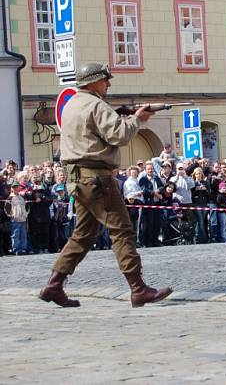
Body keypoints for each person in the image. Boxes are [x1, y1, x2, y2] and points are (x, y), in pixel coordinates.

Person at [38, 62, 173, 308]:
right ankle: (138, 288)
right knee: (121, 231)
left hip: (77, 179)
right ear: (92, 82)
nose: (108, 84)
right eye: (104, 80)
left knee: (83, 234)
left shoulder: (72, 105)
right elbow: (119, 136)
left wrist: (123, 116)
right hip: (97, 178)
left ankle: (54, 284)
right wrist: (137, 119)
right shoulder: (96, 105)